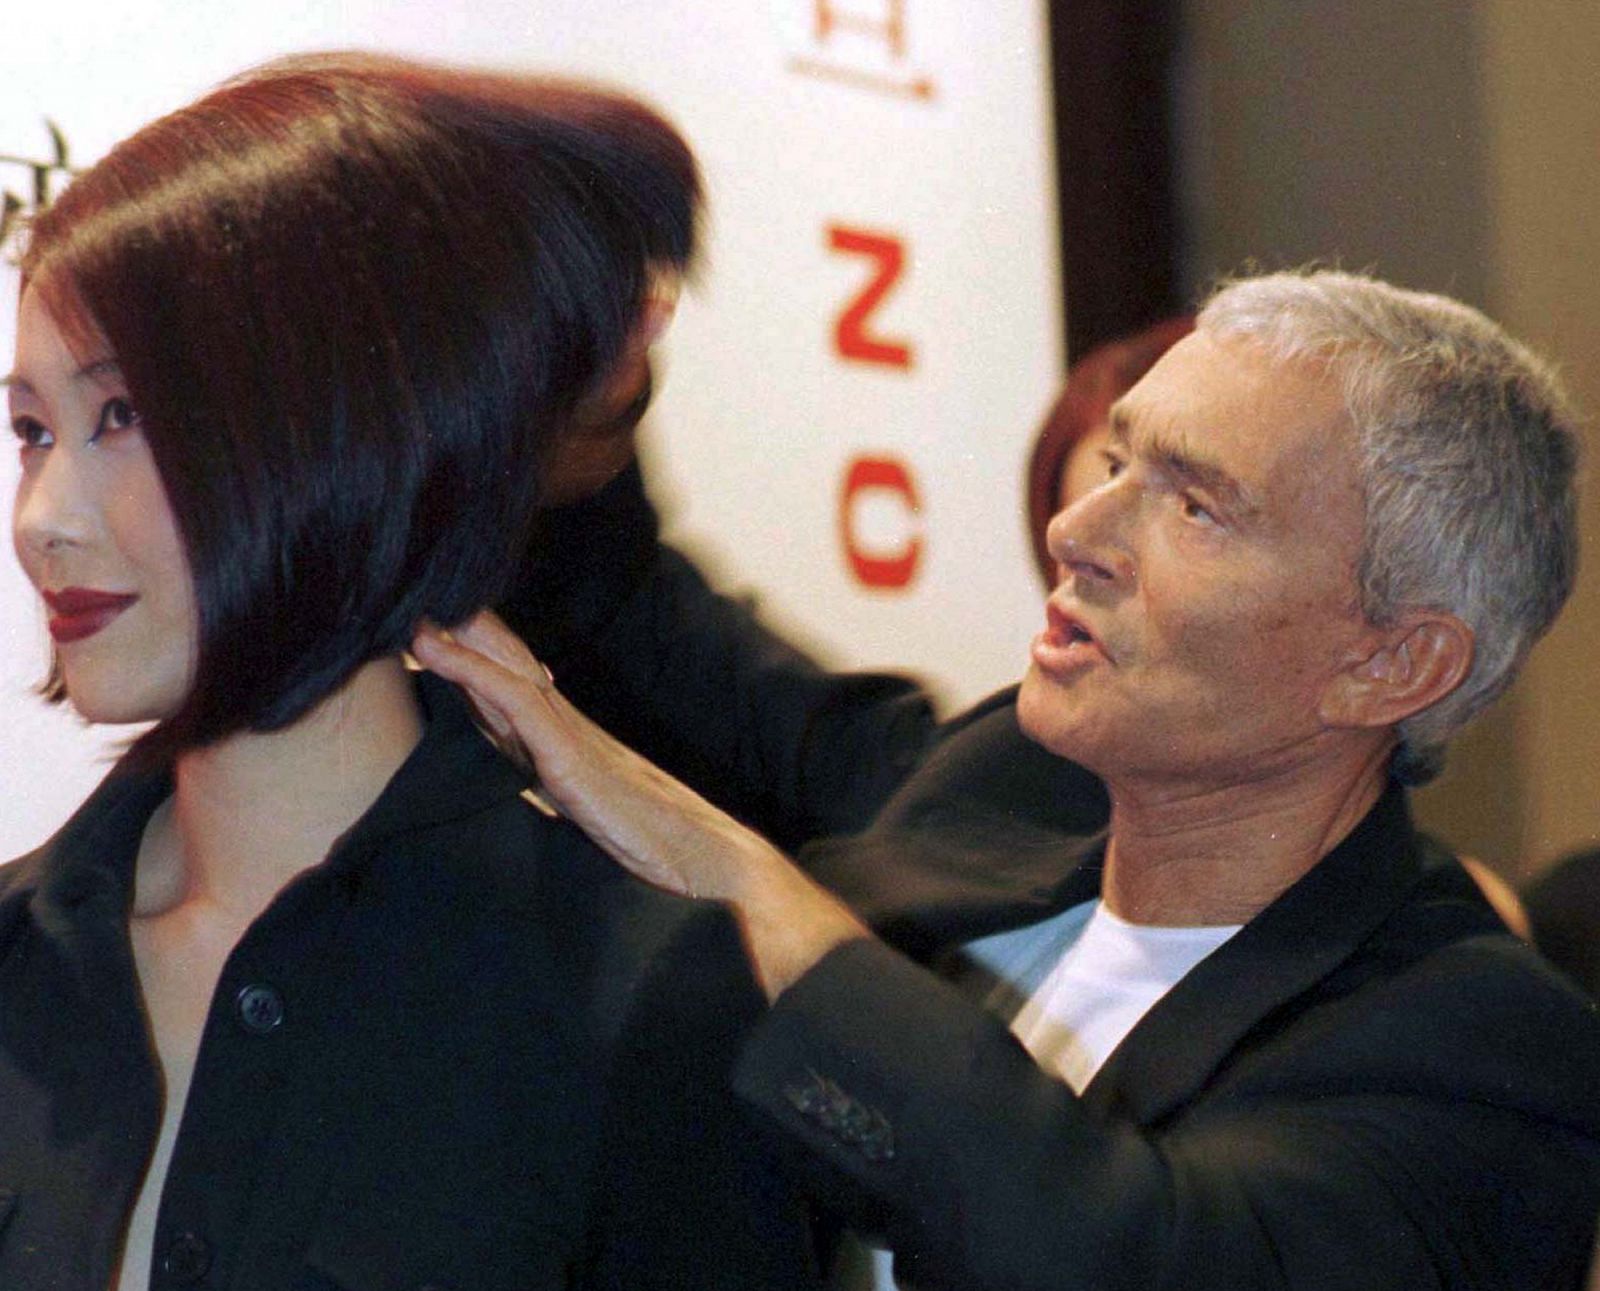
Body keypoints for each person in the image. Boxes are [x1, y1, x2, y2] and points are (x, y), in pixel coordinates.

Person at [416, 269, 1600, 1289]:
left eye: (1195, 505)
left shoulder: (1485, 1045)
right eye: (1118, 460)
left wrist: (738, 882)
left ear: (1392, 660)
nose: (1077, 528)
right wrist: (563, 356)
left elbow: (1126, 1259)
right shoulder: (1009, 786)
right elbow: (654, 641)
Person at [0, 55, 819, 1290]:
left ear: (338, 427)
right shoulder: (18, 966)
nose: (41, 516)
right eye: (30, 431)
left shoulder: (626, 995)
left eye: (125, 417)